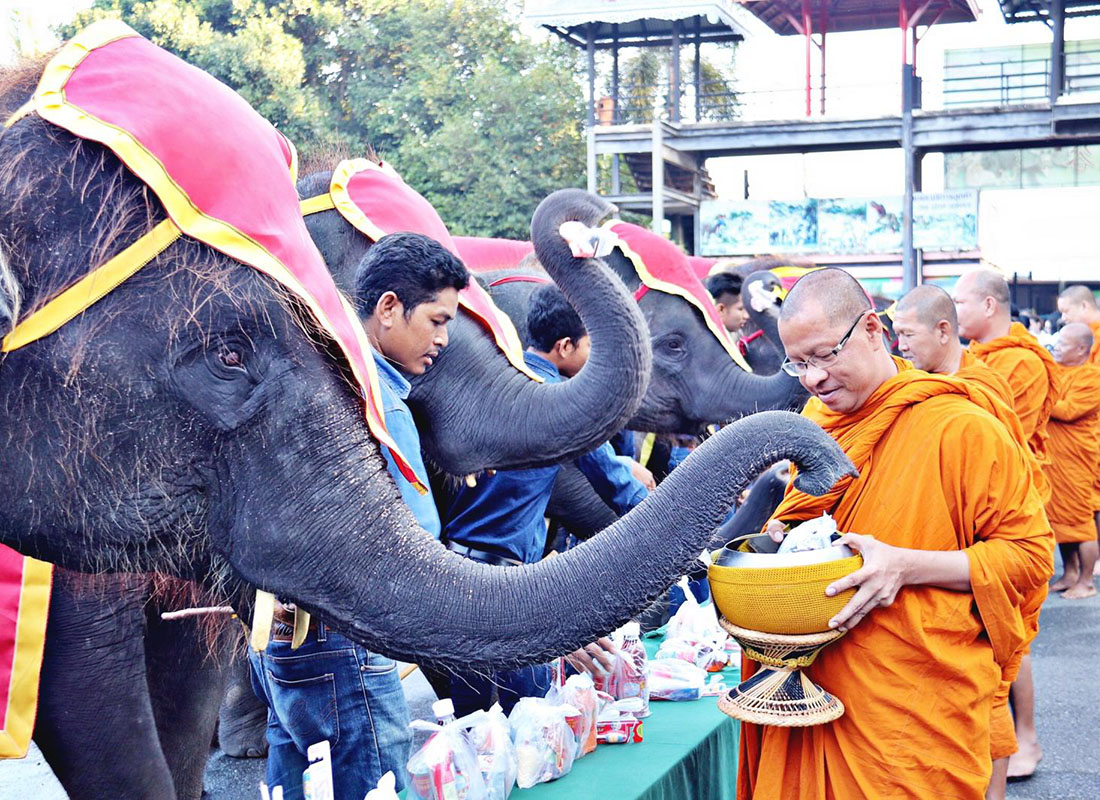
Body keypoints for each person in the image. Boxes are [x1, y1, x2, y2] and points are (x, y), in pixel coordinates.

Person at [739, 268, 1053, 800]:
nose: (812, 378)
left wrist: (905, 565)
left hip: (911, 708)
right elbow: (807, 521)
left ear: (870, 330)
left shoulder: (960, 426)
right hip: (806, 691)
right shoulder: (817, 424)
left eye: (824, 355)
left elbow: (1028, 556)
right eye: (799, 363)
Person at [249, 233, 469, 799]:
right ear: (389, 308)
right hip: (347, 640)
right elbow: (415, 538)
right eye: (437, 320)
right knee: (371, 781)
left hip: (283, 637)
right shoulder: (379, 403)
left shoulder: (318, 382)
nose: (444, 339)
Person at [435, 284, 648, 715]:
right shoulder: (562, 404)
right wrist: (670, 522)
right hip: (513, 586)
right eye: (594, 345)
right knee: (533, 715)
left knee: (471, 723)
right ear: (566, 346)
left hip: (456, 576)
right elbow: (615, 484)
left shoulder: (498, 386)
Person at [953, 269, 1059, 782]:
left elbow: (995, 432)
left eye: (961, 302)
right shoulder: (974, 361)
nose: (953, 312)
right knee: (986, 634)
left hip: (1011, 499)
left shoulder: (1021, 363)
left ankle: (1030, 739)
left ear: (990, 305)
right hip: (975, 500)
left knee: (1011, 633)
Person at [1044, 323, 1100, 600]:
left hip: (1076, 460)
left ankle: (1087, 582)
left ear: (1080, 349)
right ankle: (1069, 573)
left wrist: (1036, 395)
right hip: (1054, 458)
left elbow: (1066, 411)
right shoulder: (1056, 371)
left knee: (1080, 522)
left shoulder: (1092, 378)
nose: (1056, 347)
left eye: (1063, 344)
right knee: (1060, 520)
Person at [893, 284, 1013, 406]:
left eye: (908, 335)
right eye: (898, 335)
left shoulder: (984, 386)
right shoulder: (903, 385)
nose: (902, 346)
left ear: (943, 332)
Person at [1055, 285, 1100, 580]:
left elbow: (1071, 408)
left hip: (1084, 443)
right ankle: (1072, 574)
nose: (1064, 319)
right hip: (1061, 452)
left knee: (1086, 511)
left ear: (1084, 307)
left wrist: (1038, 400)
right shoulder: (1061, 367)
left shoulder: (1091, 366)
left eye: (1067, 312)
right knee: (1063, 514)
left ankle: (1087, 574)